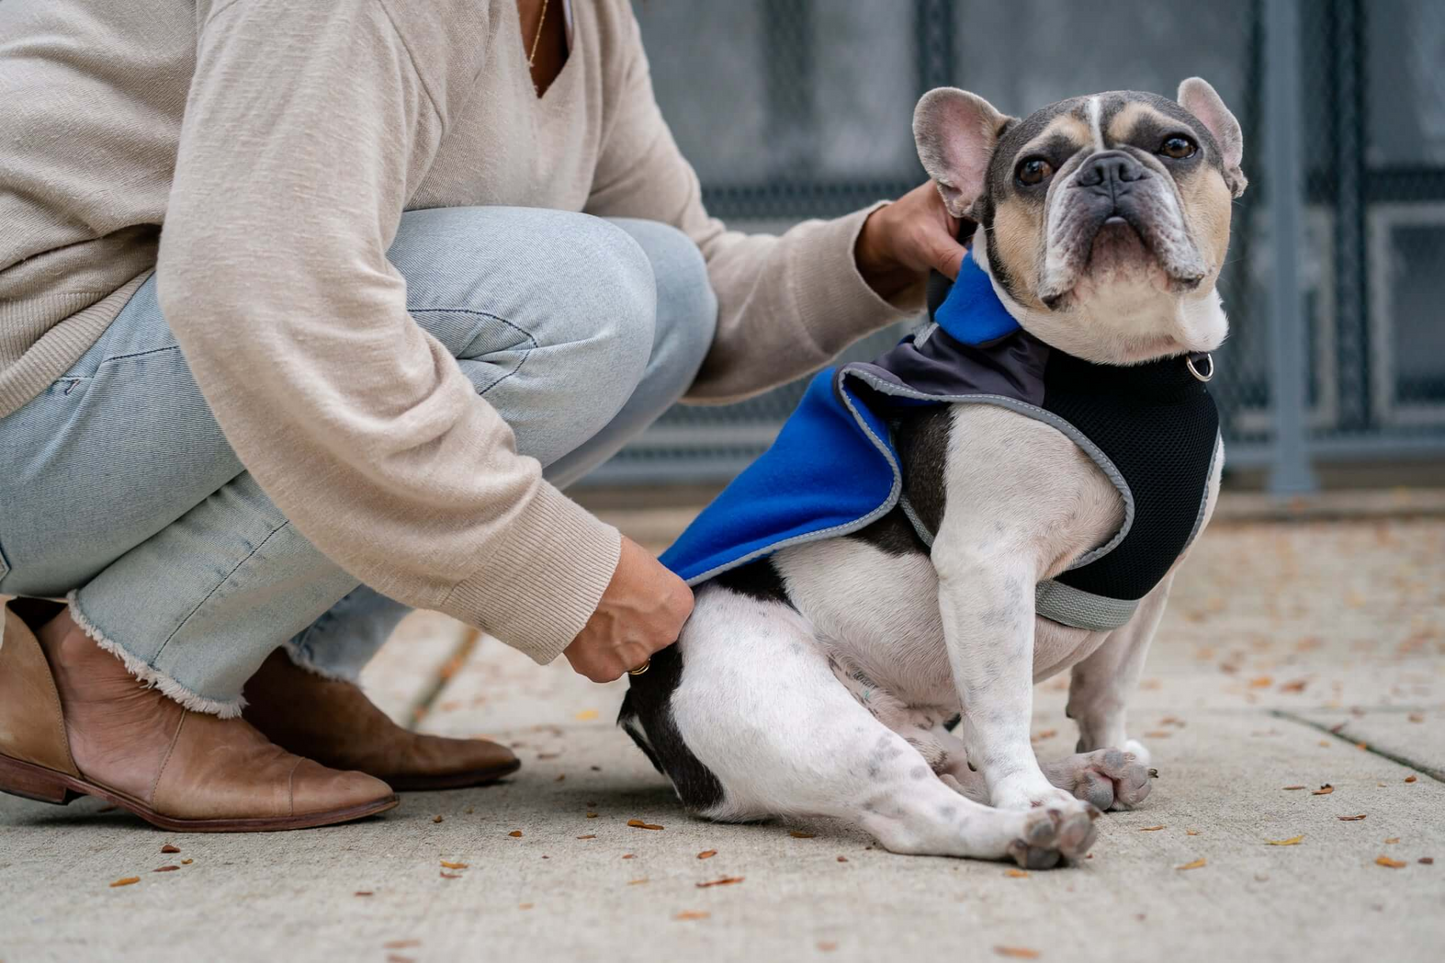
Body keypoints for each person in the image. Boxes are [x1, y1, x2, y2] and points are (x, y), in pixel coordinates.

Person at [0, 0, 967, 831]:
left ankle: (270, 662)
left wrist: (875, 249)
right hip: (31, 393)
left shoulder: (576, 14)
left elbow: (690, 299)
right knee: (579, 302)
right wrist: (560, 572)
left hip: (114, 390)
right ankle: (128, 669)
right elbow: (262, 288)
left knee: (654, 289)